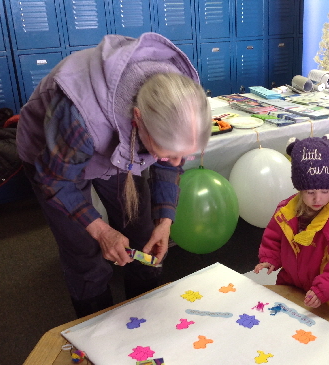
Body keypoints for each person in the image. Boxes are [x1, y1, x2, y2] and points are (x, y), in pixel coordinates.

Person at [16, 33, 212, 317]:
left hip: (115, 146)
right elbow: (55, 181)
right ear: (138, 120)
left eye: (184, 155)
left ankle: (144, 315)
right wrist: (101, 231)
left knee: (142, 231)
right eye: (168, 153)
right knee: (83, 249)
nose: (176, 162)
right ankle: (97, 323)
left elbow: (169, 164)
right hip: (57, 158)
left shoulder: (178, 100)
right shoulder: (80, 117)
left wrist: (165, 220)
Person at [254, 135, 329, 316]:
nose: (318, 198)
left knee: (322, 330)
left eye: (325, 191)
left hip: (324, 295)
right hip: (290, 283)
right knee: (287, 323)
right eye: (310, 192)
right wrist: (270, 258)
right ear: (300, 189)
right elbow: (274, 237)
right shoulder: (286, 211)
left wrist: (322, 289)